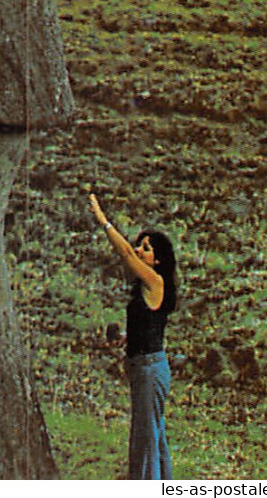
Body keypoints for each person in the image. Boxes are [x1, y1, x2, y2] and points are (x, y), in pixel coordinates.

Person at [89, 192, 179, 480]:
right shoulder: (146, 288)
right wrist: (126, 337)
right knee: (153, 435)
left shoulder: (156, 280)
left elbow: (125, 253)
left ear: (158, 260)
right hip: (144, 368)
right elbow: (148, 325)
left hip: (150, 370)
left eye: (146, 248)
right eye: (140, 246)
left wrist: (103, 220)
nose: (139, 250)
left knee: (145, 439)